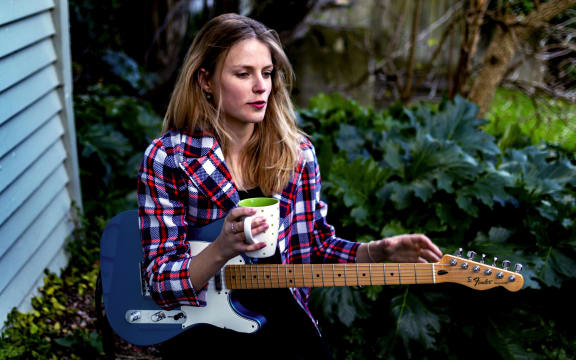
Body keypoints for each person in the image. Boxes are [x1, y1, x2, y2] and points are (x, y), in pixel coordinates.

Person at [137, 13, 442, 359]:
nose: (261, 86)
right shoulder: (169, 158)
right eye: (243, 74)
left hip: (284, 320)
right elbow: (160, 281)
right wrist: (222, 247)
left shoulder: (297, 155)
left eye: (266, 73)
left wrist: (379, 252)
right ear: (205, 80)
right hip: (200, 329)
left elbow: (317, 247)